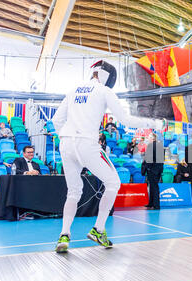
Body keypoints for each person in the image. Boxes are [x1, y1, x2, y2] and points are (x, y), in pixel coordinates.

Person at [51, 59, 165, 253]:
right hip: (87, 143)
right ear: (108, 77)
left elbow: (56, 120)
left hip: (66, 144)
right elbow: (125, 119)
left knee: (74, 192)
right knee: (113, 183)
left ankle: (64, 235)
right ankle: (99, 228)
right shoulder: (104, 91)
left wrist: (66, 136)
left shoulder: (73, 90)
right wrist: (154, 124)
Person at [143, 133, 164, 210]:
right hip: (158, 169)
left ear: (152, 138)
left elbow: (149, 159)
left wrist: (148, 168)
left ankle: (156, 205)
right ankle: (151, 203)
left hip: (152, 169)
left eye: (149, 137)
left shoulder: (150, 145)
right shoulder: (160, 146)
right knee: (153, 186)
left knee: (154, 187)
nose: (148, 139)